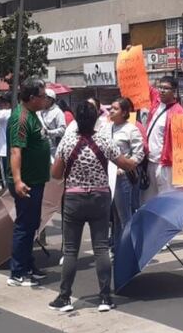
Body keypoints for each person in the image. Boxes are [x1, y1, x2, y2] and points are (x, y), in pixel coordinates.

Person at [49, 101, 137, 312]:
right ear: (96, 119)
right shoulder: (104, 139)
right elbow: (124, 163)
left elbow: (56, 174)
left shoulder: (68, 141)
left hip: (73, 199)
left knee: (71, 250)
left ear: (77, 120)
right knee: (101, 249)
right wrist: (136, 160)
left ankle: (64, 297)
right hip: (100, 197)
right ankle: (105, 297)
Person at [5, 79, 51, 288]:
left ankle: (28, 265)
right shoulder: (21, 118)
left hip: (37, 179)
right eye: (42, 96)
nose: (45, 100)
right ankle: (17, 272)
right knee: (24, 225)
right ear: (32, 98)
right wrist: (17, 180)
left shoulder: (32, 115)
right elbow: (16, 150)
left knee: (33, 223)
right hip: (27, 182)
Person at [140, 76, 183, 204]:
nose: (162, 91)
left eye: (166, 88)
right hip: (149, 162)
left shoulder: (178, 112)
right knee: (148, 202)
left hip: (165, 165)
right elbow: (145, 86)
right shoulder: (156, 103)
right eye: (160, 87)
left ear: (174, 91)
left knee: (166, 202)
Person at [108, 96, 144, 245]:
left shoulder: (131, 129)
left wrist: (127, 166)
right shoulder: (106, 127)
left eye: (115, 109)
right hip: (108, 177)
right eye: (110, 108)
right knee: (114, 217)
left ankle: (129, 248)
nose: (111, 111)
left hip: (123, 178)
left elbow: (139, 153)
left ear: (124, 112)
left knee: (124, 216)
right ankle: (117, 248)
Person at [0, 94, 13, 193]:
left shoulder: (5, 113)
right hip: (12, 150)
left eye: (1, 104)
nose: (0, 107)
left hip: (4, 150)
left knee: (4, 177)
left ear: (7, 104)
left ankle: (6, 196)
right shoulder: (16, 112)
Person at [39, 87, 66, 159]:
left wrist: (49, 132)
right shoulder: (40, 111)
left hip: (54, 147)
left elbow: (62, 130)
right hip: (41, 145)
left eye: (45, 98)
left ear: (51, 99)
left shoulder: (58, 112)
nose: (42, 100)